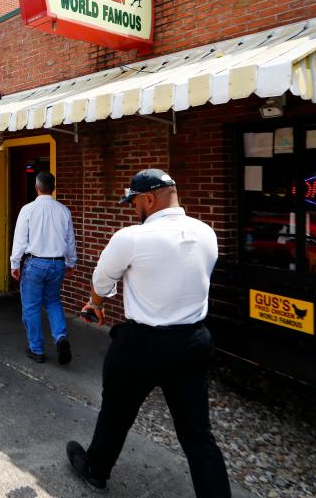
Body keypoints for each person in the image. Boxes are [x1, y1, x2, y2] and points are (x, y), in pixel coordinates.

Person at [67, 168, 230, 496]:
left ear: (150, 198)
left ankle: (97, 470)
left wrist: (96, 304)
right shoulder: (206, 233)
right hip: (193, 340)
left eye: (134, 201)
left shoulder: (131, 238)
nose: (133, 208)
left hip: (142, 344)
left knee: (116, 410)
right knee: (198, 435)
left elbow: (102, 279)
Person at [10, 171, 77, 365]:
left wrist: (15, 263)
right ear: (53, 188)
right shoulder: (64, 210)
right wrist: (71, 263)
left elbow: (20, 240)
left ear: (36, 187)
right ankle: (60, 337)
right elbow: (70, 241)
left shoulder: (28, 210)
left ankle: (36, 349)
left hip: (35, 263)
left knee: (31, 308)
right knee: (53, 302)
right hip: (57, 263)